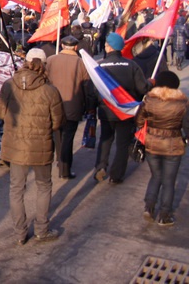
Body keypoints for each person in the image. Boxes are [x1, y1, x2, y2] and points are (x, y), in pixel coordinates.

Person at [0, 48, 65, 245]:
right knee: (44, 186)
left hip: (15, 144)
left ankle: (20, 233)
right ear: (43, 65)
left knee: (16, 188)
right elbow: (57, 122)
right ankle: (41, 229)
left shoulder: (9, 85)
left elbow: (1, 113)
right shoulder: (50, 90)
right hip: (41, 145)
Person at [94, 32, 151, 184]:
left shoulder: (99, 66)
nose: (104, 46)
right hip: (126, 111)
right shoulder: (132, 65)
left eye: (106, 44)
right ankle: (116, 175)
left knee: (105, 139)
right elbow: (142, 88)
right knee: (122, 144)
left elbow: (93, 89)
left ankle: (101, 166)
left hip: (106, 110)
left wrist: (93, 106)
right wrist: (151, 83)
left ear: (110, 47)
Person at [136, 71, 189, 226]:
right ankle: (164, 215)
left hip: (152, 144)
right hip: (173, 146)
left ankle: (149, 207)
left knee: (156, 176)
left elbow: (138, 120)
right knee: (169, 181)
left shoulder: (149, 100)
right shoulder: (182, 103)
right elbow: (187, 124)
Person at [45, 35, 93, 179]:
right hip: (73, 106)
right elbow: (87, 87)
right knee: (68, 137)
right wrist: (90, 106)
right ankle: (65, 168)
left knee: (57, 135)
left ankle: (60, 161)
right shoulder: (81, 63)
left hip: (53, 105)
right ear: (76, 47)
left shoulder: (51, 60)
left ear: (62, 46)